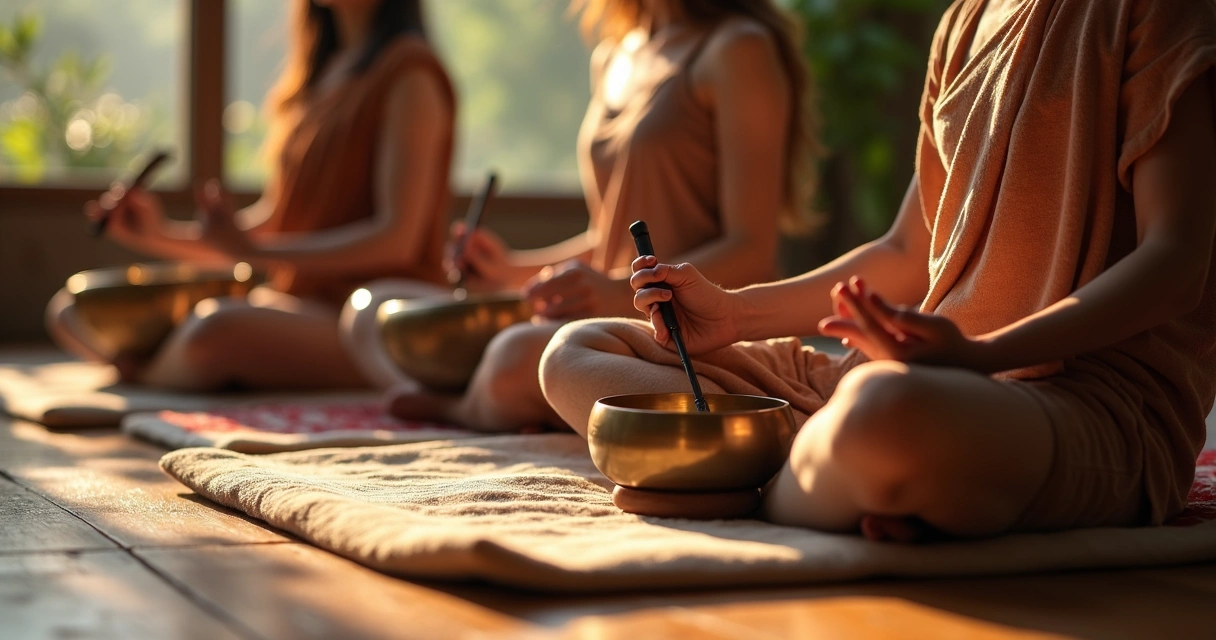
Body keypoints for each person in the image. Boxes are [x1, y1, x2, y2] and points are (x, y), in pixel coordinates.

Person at [541, 0, 1216, 542]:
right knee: (571, 352)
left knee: (887, 418)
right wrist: (735, 312)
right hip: (905, 379)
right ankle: (825, 476)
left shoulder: (1159, 11)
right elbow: (905, 254)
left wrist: (983, 356)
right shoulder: (963, 21)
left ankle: (743, 479)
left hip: (1079, 408)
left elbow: (1179, 260)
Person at [345, 0, 818, 431]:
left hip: (684, 332)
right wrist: (510, 270)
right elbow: (609, 235)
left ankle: (467, 407)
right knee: (371, 310)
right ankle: (518, 398)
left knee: (519, 354)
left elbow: (753, 251)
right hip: (606, 315)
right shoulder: (613, 56)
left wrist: (615, 293)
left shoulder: (737, 49)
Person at [46, 0, 455, 391]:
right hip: (294, 304)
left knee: (216, 330)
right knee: (70, 310)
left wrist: (256, 255)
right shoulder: (321, 72)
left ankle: (145, 376)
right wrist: (157, 235)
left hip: (370, 320)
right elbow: (276, 224)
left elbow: (396, 239)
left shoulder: (410, 74)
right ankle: (166, 370)